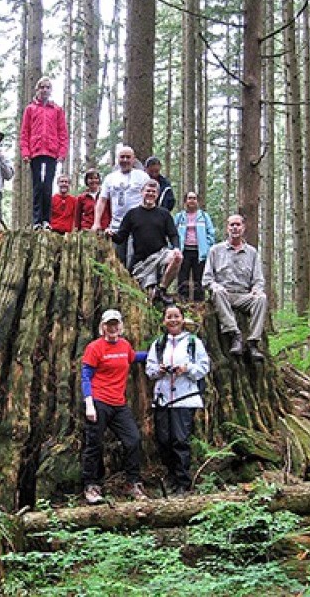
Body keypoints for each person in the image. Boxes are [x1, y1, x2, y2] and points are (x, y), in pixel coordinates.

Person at [81, 309, 149, 505]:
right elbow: (86, 376)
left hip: (118, 404)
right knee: (94, 444)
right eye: (109, 325)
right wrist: (89, 403)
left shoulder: (124, 345)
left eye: (116, 324)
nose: (113, 328)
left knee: (133, 440)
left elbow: (133, 357)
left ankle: (132, 483)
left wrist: (155, 353)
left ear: (121, 326)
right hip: (99, 401)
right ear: (103, 327)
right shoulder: (95, 347)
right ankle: (91, 486)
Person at [146, 305, 210, 496]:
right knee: (163, 440)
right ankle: (171, 478)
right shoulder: (158, 344)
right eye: (169, 317)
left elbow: (204, 367)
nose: (173, 320)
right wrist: (160, 370)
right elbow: (150, 370)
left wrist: (187, 369)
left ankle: (183, 483)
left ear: (182, 319)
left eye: (176, 316)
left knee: (180, 441)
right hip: (163, 399)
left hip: (185, 398)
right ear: (164, 321)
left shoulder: (193, 342)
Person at [202, 214, 267, 361]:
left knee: (261, 298)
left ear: (243, 228)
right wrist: (215, 286)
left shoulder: (252, 253)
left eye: (238, 225)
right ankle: (235, 335)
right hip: (224, 295)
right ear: (227, 228)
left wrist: (257, 289)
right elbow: (206, 279)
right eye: (232, 225)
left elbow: (258, 279)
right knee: (218, 294)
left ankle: (253, 342)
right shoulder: (215, 250)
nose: (235, 228)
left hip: (244, 295)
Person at [107, 180, 182, 305]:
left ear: (157, 195)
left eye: (154, 192)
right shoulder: (132, 214)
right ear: (142, 192)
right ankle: (154, 293)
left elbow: (173, 235)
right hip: (141, 262)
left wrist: (176, 248)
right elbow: (121, 237)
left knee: (178, 257)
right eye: (148, 191)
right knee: (149, 298)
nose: (150, 194)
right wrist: (111, 234)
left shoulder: (164, 214)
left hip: (161, 255)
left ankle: (162, 289)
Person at [20, 77, 69, 230]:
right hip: (35, 152)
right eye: (42, 87)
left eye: (48, 87)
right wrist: (25, 152)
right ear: (37, 89)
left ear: (51, 90)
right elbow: (24, 132)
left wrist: (62, 152)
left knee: (48, 185)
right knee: (37, 186)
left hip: (51, 152)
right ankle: (36, 221)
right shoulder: (30, 109)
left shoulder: (57, 110)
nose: (45, 90)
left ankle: (47, 220)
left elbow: (63, 132)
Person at [92, 146, 150, 265]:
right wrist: (96, 222)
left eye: (128, 157)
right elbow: (102, 200)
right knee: (118, 260)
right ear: (118, 159)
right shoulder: (110, 178)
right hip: (117, 226)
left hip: (137, 226)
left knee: (135, 260)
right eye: (122, 157)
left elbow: (150, 198)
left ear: (133, 160)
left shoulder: (142, 176)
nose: (125, 160)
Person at [174, 191, 216, 301]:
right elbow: (173, 233)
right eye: (189, 198)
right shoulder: (179, 217)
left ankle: (199, 304)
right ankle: (182, 302)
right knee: (183, 278)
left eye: (194, 198)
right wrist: (174, 248)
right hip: (184, 251)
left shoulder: (204, 216)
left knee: (200, 279)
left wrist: (207, 247)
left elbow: (211, 233)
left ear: (198, 201)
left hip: (199, 252)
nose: (191, 200)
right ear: (185, 201)